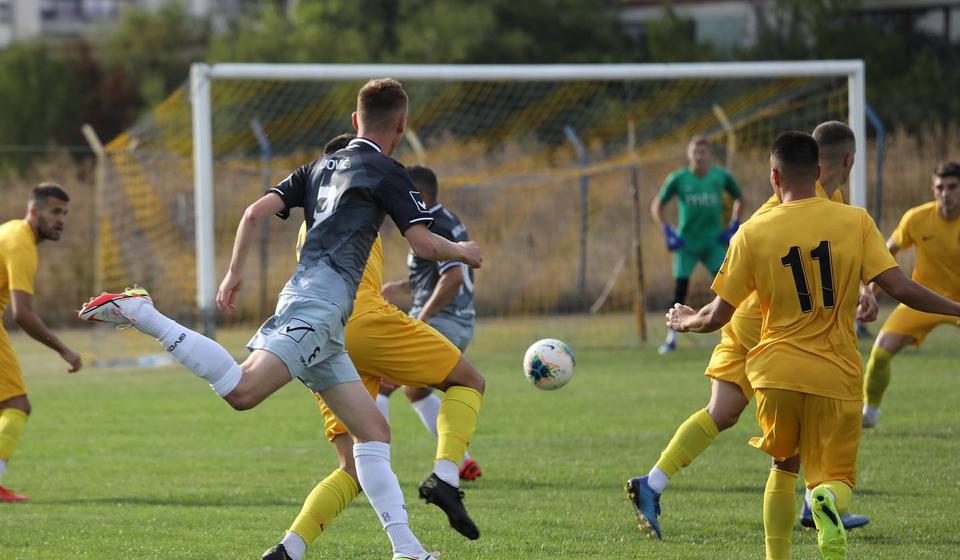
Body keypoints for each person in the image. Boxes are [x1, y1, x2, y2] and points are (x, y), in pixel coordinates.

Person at [78, 79, 481, 560]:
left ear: (355, 121)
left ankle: (405, 551)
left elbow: (252, 213)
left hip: (326, 317)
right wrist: (465, 251)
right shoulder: (388, 170)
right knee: (242, 392)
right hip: (319, 308)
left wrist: (232, 275)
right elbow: (425, 245)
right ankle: (143, 312)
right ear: (401, 124)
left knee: (373, 433)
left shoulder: (315, 169)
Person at [665, 131, 960, 560]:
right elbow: (901, 288)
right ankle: (825, 503)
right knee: (834, 480)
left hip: (774, 373)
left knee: (783, 466)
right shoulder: (855, 221)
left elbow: (717, 316)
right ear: (820, 172)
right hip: (836, 372)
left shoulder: (751, 232)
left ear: (773, 177)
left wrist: (686, 321)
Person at [626, 122, 872, 540]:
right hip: (759, 327)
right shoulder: (775, 210)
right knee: (778, 419)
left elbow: (838, 255)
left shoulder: (833, 201)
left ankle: (652, 484)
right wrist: (695, 318)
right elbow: (739, 266)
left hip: (772, 330)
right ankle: (817, 504)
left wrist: (864, 287)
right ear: (848, 159)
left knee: (727, 413)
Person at [262, 141, 485, 560]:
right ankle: (446, 477)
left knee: (352, 466)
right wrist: (462, 251)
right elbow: (424, 243)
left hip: (317, 334)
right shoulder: (355, 205)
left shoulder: (311, 220)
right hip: (361, 321)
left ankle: (291, 548)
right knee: (469, 380)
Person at [379, 165, 481, 481]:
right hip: (455, 321)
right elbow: (433, 276)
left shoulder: (435, 225)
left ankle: (371, 467)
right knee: (416, 391)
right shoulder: (437, 221)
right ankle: (460, 461)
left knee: (380, 382)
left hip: (444, 321)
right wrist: (397, 289)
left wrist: (420, 321)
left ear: (419, 196)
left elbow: (451, 278)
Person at [0, 184, 83, 503]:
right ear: (33, 211)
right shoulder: (21, 243)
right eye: (55, 211)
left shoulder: (12, 232)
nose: (61, 219)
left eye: (64, 212)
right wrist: (65, 349)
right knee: (17, 406)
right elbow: (22, 314)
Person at [862, 161, 960, 428]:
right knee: (879, 354)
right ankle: (870, 413)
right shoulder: (916, 218)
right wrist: (870, 288)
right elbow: (884, 253)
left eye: (952, 187)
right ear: (933, 189)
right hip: (923, 301)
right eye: (940, 187)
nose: (946, 193)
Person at [651, 135, 742, 354]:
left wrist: (734, 224)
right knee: (680, 288)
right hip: (687, 243)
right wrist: (668, 231)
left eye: (703, 152)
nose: (699, 156)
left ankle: (736, 331)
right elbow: (657, 206)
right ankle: (671, 337)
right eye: (695, 151)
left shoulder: (721, 177)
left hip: (713, 242)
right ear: (689, 154)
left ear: (709, 154)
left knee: (729, 285)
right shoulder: (679, 178)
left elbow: (741, 198)